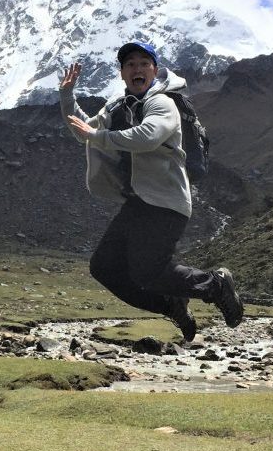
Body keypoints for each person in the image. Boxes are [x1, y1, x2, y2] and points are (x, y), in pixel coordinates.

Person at [60, 41, 243, 341]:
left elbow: (149, 136)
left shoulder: (163, 103)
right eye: (130, 64)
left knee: (149, 271)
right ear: (122, 73)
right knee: (104, 267)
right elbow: (85, 131)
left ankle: (216, 284)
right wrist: (67, 96)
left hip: (165, 202)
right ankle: (171, 305)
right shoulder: (117, 106)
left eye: (144, 63)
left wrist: (97, 135)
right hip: (137, 203)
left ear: (154, 70)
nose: (137, 69)